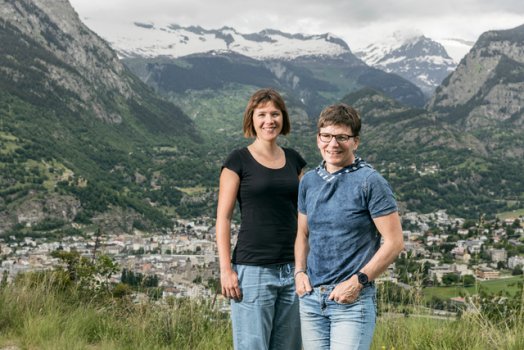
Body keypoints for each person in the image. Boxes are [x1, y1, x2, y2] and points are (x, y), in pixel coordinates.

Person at [294, 103, 404, 350]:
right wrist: (299, 272)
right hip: (311, 299)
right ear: (318, 138)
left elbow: (395, 243)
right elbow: (303, 233)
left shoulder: (370, 182)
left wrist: (358, 282)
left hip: (352, 301)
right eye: (327, 136)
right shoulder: (309, 181)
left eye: (342, 137)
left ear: (355, 141)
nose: (333, 144)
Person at [216, 88, 306, 350]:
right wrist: (226, 270)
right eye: (262, 114)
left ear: (283, 118)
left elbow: (306, 214)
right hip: (253, 269)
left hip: (293, 269)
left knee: (289, 346)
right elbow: (223, 218)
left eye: (275, 114)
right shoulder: (237, 161)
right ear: (251, 119)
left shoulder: (294, 160)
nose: (270, 120)